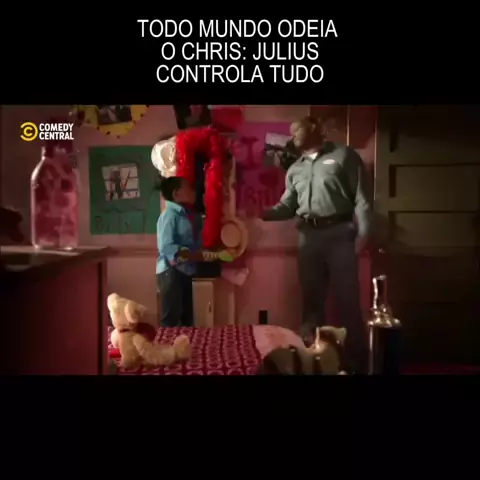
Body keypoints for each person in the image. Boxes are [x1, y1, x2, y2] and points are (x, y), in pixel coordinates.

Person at [261, 116, 373, 373]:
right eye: (291, 132)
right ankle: (312, 362)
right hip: (308, 238)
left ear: (313, 129)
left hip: (340, 235)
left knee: (347, 302)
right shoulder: (295, 169)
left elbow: (362, 199)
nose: (292, 134)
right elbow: (287, 206)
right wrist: (263, 213)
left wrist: (363, 237)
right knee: (311, 303)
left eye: (297, 130)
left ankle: (355, 364)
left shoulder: (344, 156)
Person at [156, 176, 203, 327]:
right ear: (176, 194)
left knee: (188, 318)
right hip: (171, 271)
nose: (193, 191)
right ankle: (167, 343)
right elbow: (165, 246)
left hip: (186, 270)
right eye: (188, 188)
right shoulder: (169, 215)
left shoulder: (186, 215)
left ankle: (186, 342)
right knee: (171, 318)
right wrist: (188, 253)